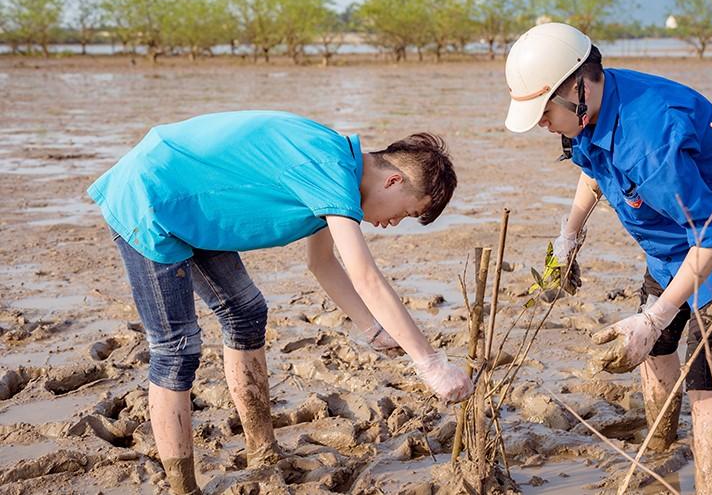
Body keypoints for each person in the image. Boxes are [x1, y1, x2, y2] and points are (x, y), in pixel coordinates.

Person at [88, 110, 472, 495]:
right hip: (150, 197)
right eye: (407, 212)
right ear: (393, 180)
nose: (392, 223)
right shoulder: (329, 167)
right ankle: (183, 488)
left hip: (192, 207)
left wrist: (372, 330)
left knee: (246, 313)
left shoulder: (337, 174)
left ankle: (262, 451)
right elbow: (365, 275)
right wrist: (431, 364)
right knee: (177, 349)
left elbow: (321, 263)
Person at [503, 23, 712, 494]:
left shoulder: (651, 141)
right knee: (654, 345)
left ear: (577, 85)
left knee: (706, 374)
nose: (541, 124)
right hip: (672, 240)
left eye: (544, 111)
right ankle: (660, 450)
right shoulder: (591, 110)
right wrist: (568, 237)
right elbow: (594, 172)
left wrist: (654, 317)